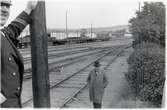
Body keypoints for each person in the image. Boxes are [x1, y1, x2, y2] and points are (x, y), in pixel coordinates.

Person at [0, 0, 37, 107]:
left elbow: (13, 29)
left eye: (7, 6)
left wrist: (28, 9)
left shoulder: (2, 34)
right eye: (0, 4)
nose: (4, 10)